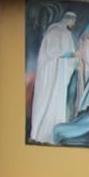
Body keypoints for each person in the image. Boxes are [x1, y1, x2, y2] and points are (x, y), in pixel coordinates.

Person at [30, 12, 78, 144]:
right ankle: (40, 135)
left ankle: (53, 135)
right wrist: (70, 54)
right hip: (51, 75)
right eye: (74, 21)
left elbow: (70, 56)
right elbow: (51, 52)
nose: (74, 24)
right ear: (69, 20)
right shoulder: (55, 31)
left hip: (60, 76)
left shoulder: (66, 33)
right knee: (48, 101)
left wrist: (74, 58)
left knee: (57, 103)